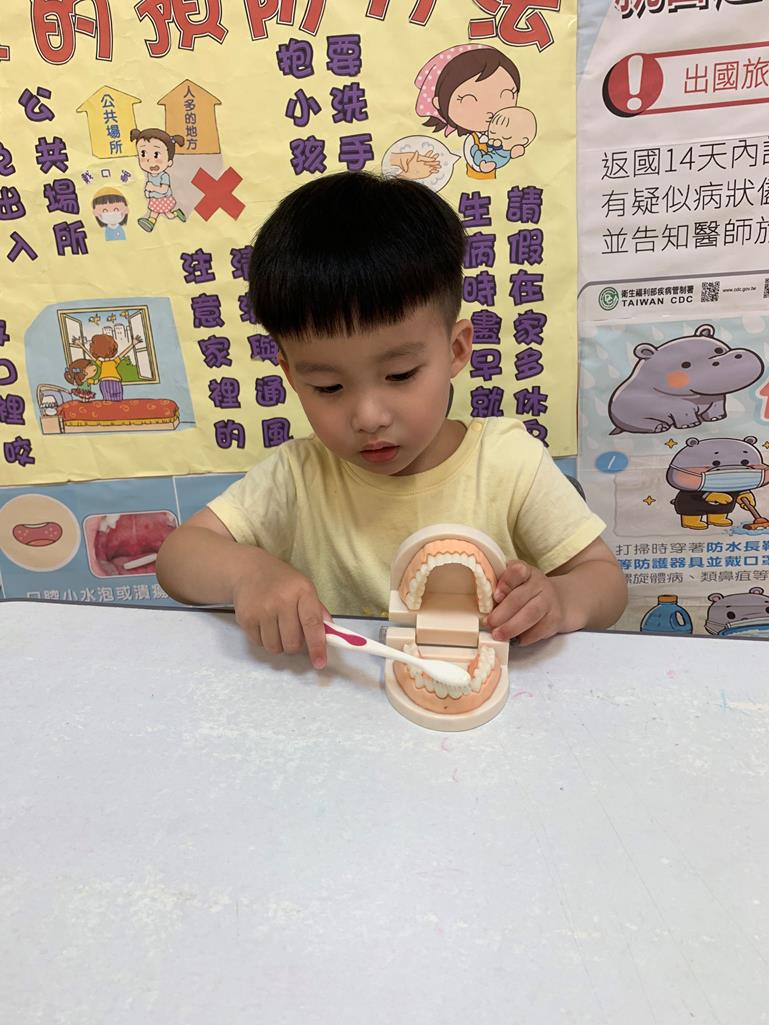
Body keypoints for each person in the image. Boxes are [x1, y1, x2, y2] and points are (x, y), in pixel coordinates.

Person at [156, 172, 627, 669]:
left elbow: (605, 582)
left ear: (456, 350)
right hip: (338, 699)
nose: (368, 417)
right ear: (291, 375)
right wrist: (248, 574)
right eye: (328, 387)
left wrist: (560, 600)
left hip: (479, 700)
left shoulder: (510, 463)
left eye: (400, 374)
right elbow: (179, 555)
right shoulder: (298, 474)